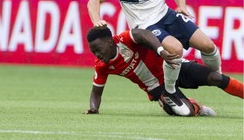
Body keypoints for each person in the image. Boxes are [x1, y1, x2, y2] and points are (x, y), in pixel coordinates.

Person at [87, 0, 222, 114]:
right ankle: (170, 91)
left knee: (208, 46)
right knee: (175, 49)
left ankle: (218, 76)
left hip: (166, 14)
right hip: (146, 25)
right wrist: (97, 20)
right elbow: (94, 0)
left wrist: (181, 5)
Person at [84, 27, 244, 116]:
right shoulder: (101, 66)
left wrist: (160, 50)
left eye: (98, 49)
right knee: (185, 113)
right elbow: (96, 92)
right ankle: (197, 108)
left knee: (216, 77)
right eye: (93, 52)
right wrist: (94, 108)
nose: (97, 54)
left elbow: (143, 34)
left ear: (109, 42)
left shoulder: (124, 40)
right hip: (158, 89)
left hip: (174, 66)